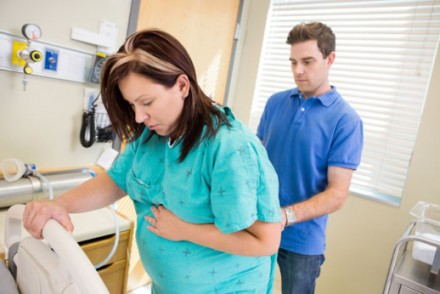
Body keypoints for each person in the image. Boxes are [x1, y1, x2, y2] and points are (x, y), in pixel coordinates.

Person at [24, 29, 282, 293]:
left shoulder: (229, 148)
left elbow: (265, 241)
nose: (138, 117)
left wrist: (185, 230)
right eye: (132, 105)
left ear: (182, 85)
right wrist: (59, 205)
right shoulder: (152, 134)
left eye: (146, 102)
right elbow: (116, 181)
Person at [257, 22, 363, 294]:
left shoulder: (345, 120)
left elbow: (337, 194)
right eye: (293, 62)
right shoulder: (275, 102)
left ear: (330, 59)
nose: (298, 71)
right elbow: (255, 161)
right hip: (257, 226)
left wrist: (286, 216)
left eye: (307, 61)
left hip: (303, 242)